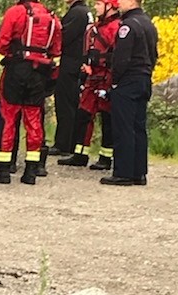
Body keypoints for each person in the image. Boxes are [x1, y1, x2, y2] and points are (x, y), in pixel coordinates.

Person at [0, 0, 61, 185]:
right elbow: (56, 52)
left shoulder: (15, 12)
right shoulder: (52, 18)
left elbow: (1, 43)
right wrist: (53, 79)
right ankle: (31, 171)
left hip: (16, 72)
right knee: (33, 121)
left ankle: (3, 170)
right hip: (40, 74)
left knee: (8, 118)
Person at [101, 0, 157, 186]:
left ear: (132, 2)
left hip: (128, 80)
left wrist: (115, 81)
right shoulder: (148, 23)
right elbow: (153, 54)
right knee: (138, 127)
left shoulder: (128, 26)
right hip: (144, 78)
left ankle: (123, 172)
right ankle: (139, 172)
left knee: (123, 127)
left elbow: (122, 58)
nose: (119, 3)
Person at [58, 0, 120, 169]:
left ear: (111, 7)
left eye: (100, 4)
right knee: (83, 115)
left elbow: (117, 56)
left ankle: (106, 158)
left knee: (107, 118)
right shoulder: (95, 28)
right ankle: (80, 154)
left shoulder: (116, 28)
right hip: (91, 77)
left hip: (106, 77)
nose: (96, 7)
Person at [50, 0, 91, 156]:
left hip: (70, 64)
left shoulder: (77, 13)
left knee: (65, 104)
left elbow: (63, 37)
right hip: (77, 63)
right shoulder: (84, 12)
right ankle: (69, 142)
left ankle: (63, 143)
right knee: (71, 104)